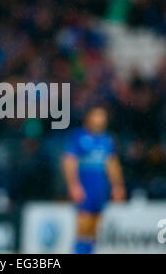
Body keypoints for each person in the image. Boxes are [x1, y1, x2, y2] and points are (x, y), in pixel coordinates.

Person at [62, 106, 126, 254]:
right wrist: (74, 185)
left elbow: (112, 164)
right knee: (83, 225)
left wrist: (117, 186)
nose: (100, 119)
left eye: (102, 116)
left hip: (100, 188)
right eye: (97, 115)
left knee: (95, 226)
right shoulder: (79, 137)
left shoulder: (106, 140)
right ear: (89, 118)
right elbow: (69, 161)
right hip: (85, 187)